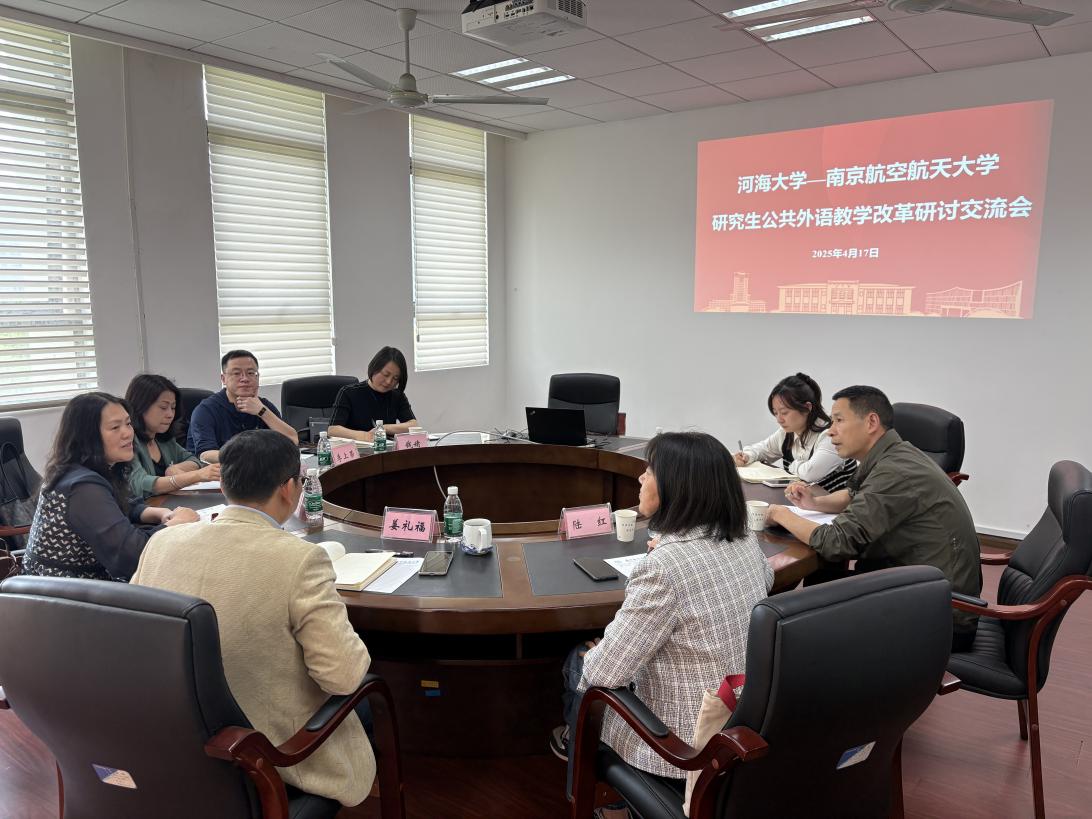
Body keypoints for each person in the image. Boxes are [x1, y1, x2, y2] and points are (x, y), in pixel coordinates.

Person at [130, 430, 375, 806]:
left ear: (223, 484)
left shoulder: (161, 543)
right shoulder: (300, 559)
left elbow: (134, 640)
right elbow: (342, 677)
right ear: (289, 489)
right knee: (367, 699)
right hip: (266, 757)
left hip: (174, 744)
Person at [551, 432, 773, 810]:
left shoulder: (665, 568)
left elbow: (604, 674)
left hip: (683, 746)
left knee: (580, 663)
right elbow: (763, 580)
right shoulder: (744, 539)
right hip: (741, 713)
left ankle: (593, 800)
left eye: (650, 471)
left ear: (677, 487)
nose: (640, 478)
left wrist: (599, 651)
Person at [765, 385, 983, 649]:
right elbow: (853, 494)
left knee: (790, 616)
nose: (830, 431)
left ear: (871, 422)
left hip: (940, 617)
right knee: (821, 580)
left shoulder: (894, 472)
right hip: (922, 589)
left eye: (839, 420)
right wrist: (815, 502)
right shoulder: (893, 453)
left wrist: (779, 513)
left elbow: (835, 542)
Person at [20, 392, 199, 581]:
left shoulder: (92, 469)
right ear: (87, 436)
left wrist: (159, 513)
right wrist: (175, 524)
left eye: (128, 424)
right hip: (67, 591)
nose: (128, 433)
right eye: (115, 427)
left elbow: (122, 504)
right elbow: (132, 556)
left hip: (84, 584)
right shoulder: (82, 487)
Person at [734, 372, 856, 491]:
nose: (779, 419)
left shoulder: (831, 434)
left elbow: (810, 473)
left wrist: (793, 466)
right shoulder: (787, 433)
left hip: (837, 504)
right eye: (775, 413)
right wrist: (747, 456)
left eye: (784, 412)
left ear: (807, 408)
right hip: (806, 502)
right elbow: (762, 449)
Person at [187, 350, 298, 462]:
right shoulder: (206, 410)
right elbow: (205, 455)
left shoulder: (263, 405)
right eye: (236, 373)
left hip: (259, 468)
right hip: (219, 470)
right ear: (223, 379)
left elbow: (292, 440)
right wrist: (250, 457)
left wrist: (262, 411)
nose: (245, 379)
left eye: (251, 373)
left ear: (257, 377)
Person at [124, 373, 220, 498]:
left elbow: (194, 461)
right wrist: (196, 476)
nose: (170, 414)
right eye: (163, 407)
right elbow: (141, 485)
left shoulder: (163, 440)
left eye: (173, 407)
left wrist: (176, 468)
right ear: (141, 406)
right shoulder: (127, 442)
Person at [328, 346, 419, 442]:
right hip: (356, 449)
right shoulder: (348, 392)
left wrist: (383, 428)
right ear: (375, 367)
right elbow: (333, 430)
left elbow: (413, 425)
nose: (389, 381)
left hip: (384, 448)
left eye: (395, 378)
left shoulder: (397, 395)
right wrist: (363, 436)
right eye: (386, 374)